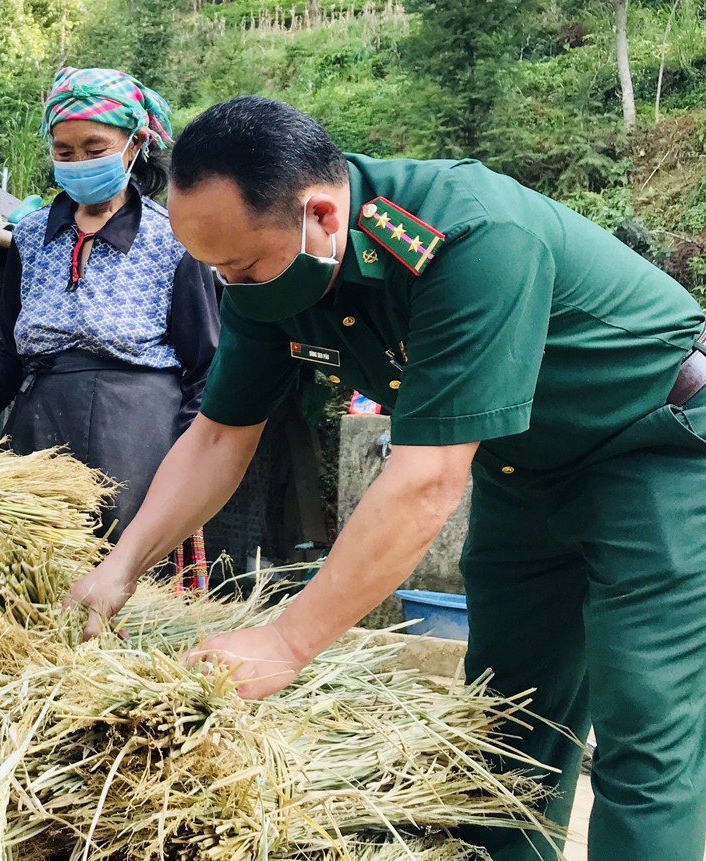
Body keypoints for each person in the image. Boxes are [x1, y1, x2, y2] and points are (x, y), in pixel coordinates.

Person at [65, 95, 706, 861]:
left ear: (322, 217)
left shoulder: (470, 237)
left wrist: (288, 639)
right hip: (522, 467)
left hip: (652, 447)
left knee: (644, 727)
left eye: (240, 267)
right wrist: (120, 566)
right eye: (215, 270)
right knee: (508, 721)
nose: (230, 287)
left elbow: (427, 480)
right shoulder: (265, 271)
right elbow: (217, 436)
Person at [0, 67, 219, 553]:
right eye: (64, 152)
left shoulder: (174, 239)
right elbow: (9, 348)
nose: (78, 162)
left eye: (95, 150)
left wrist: (187, 470)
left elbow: (205, 366)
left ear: (134, 145)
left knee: (125, 582)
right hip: (38, 426)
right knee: (29, 572)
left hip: (139, 435)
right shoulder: (30, 236)